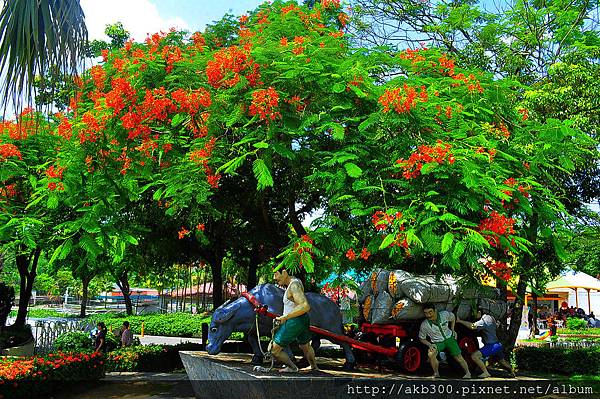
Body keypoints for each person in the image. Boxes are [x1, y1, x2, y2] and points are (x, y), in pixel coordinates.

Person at [271, 266, 319, 373]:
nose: (275, 278)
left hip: (294, 321)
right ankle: (314, 367)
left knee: (274, 350)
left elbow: (305, 306)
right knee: (305, 345)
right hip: (303, 319)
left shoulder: (294, 286)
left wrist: (285, 317)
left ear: (284, 272)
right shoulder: (296, 282)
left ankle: (293, 368)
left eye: (276, 274)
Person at [456, 308, 515, 378]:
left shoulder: (484, 321)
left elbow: (473, 326)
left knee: (474, 356)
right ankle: (512, 372)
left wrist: (460, 321)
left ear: (479, 312)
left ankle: (486, 372)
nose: (474, 315)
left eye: (475, 313)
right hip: (497, 345)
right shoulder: (490, 317)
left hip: (492, 345)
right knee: (502, 362)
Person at [418, 303, 471, 379]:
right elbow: (421, 338)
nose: (428, 315)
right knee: (431, 354)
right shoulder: (424, 325)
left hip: (449, 338)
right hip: (438, 342)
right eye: (426, 313)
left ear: (435, 311)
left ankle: (468, 373)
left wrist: (453, 330)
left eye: (430, 312)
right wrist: (429, 345)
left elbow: (453, 317)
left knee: (458, 356)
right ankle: (436, 373)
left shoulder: (444, 315)